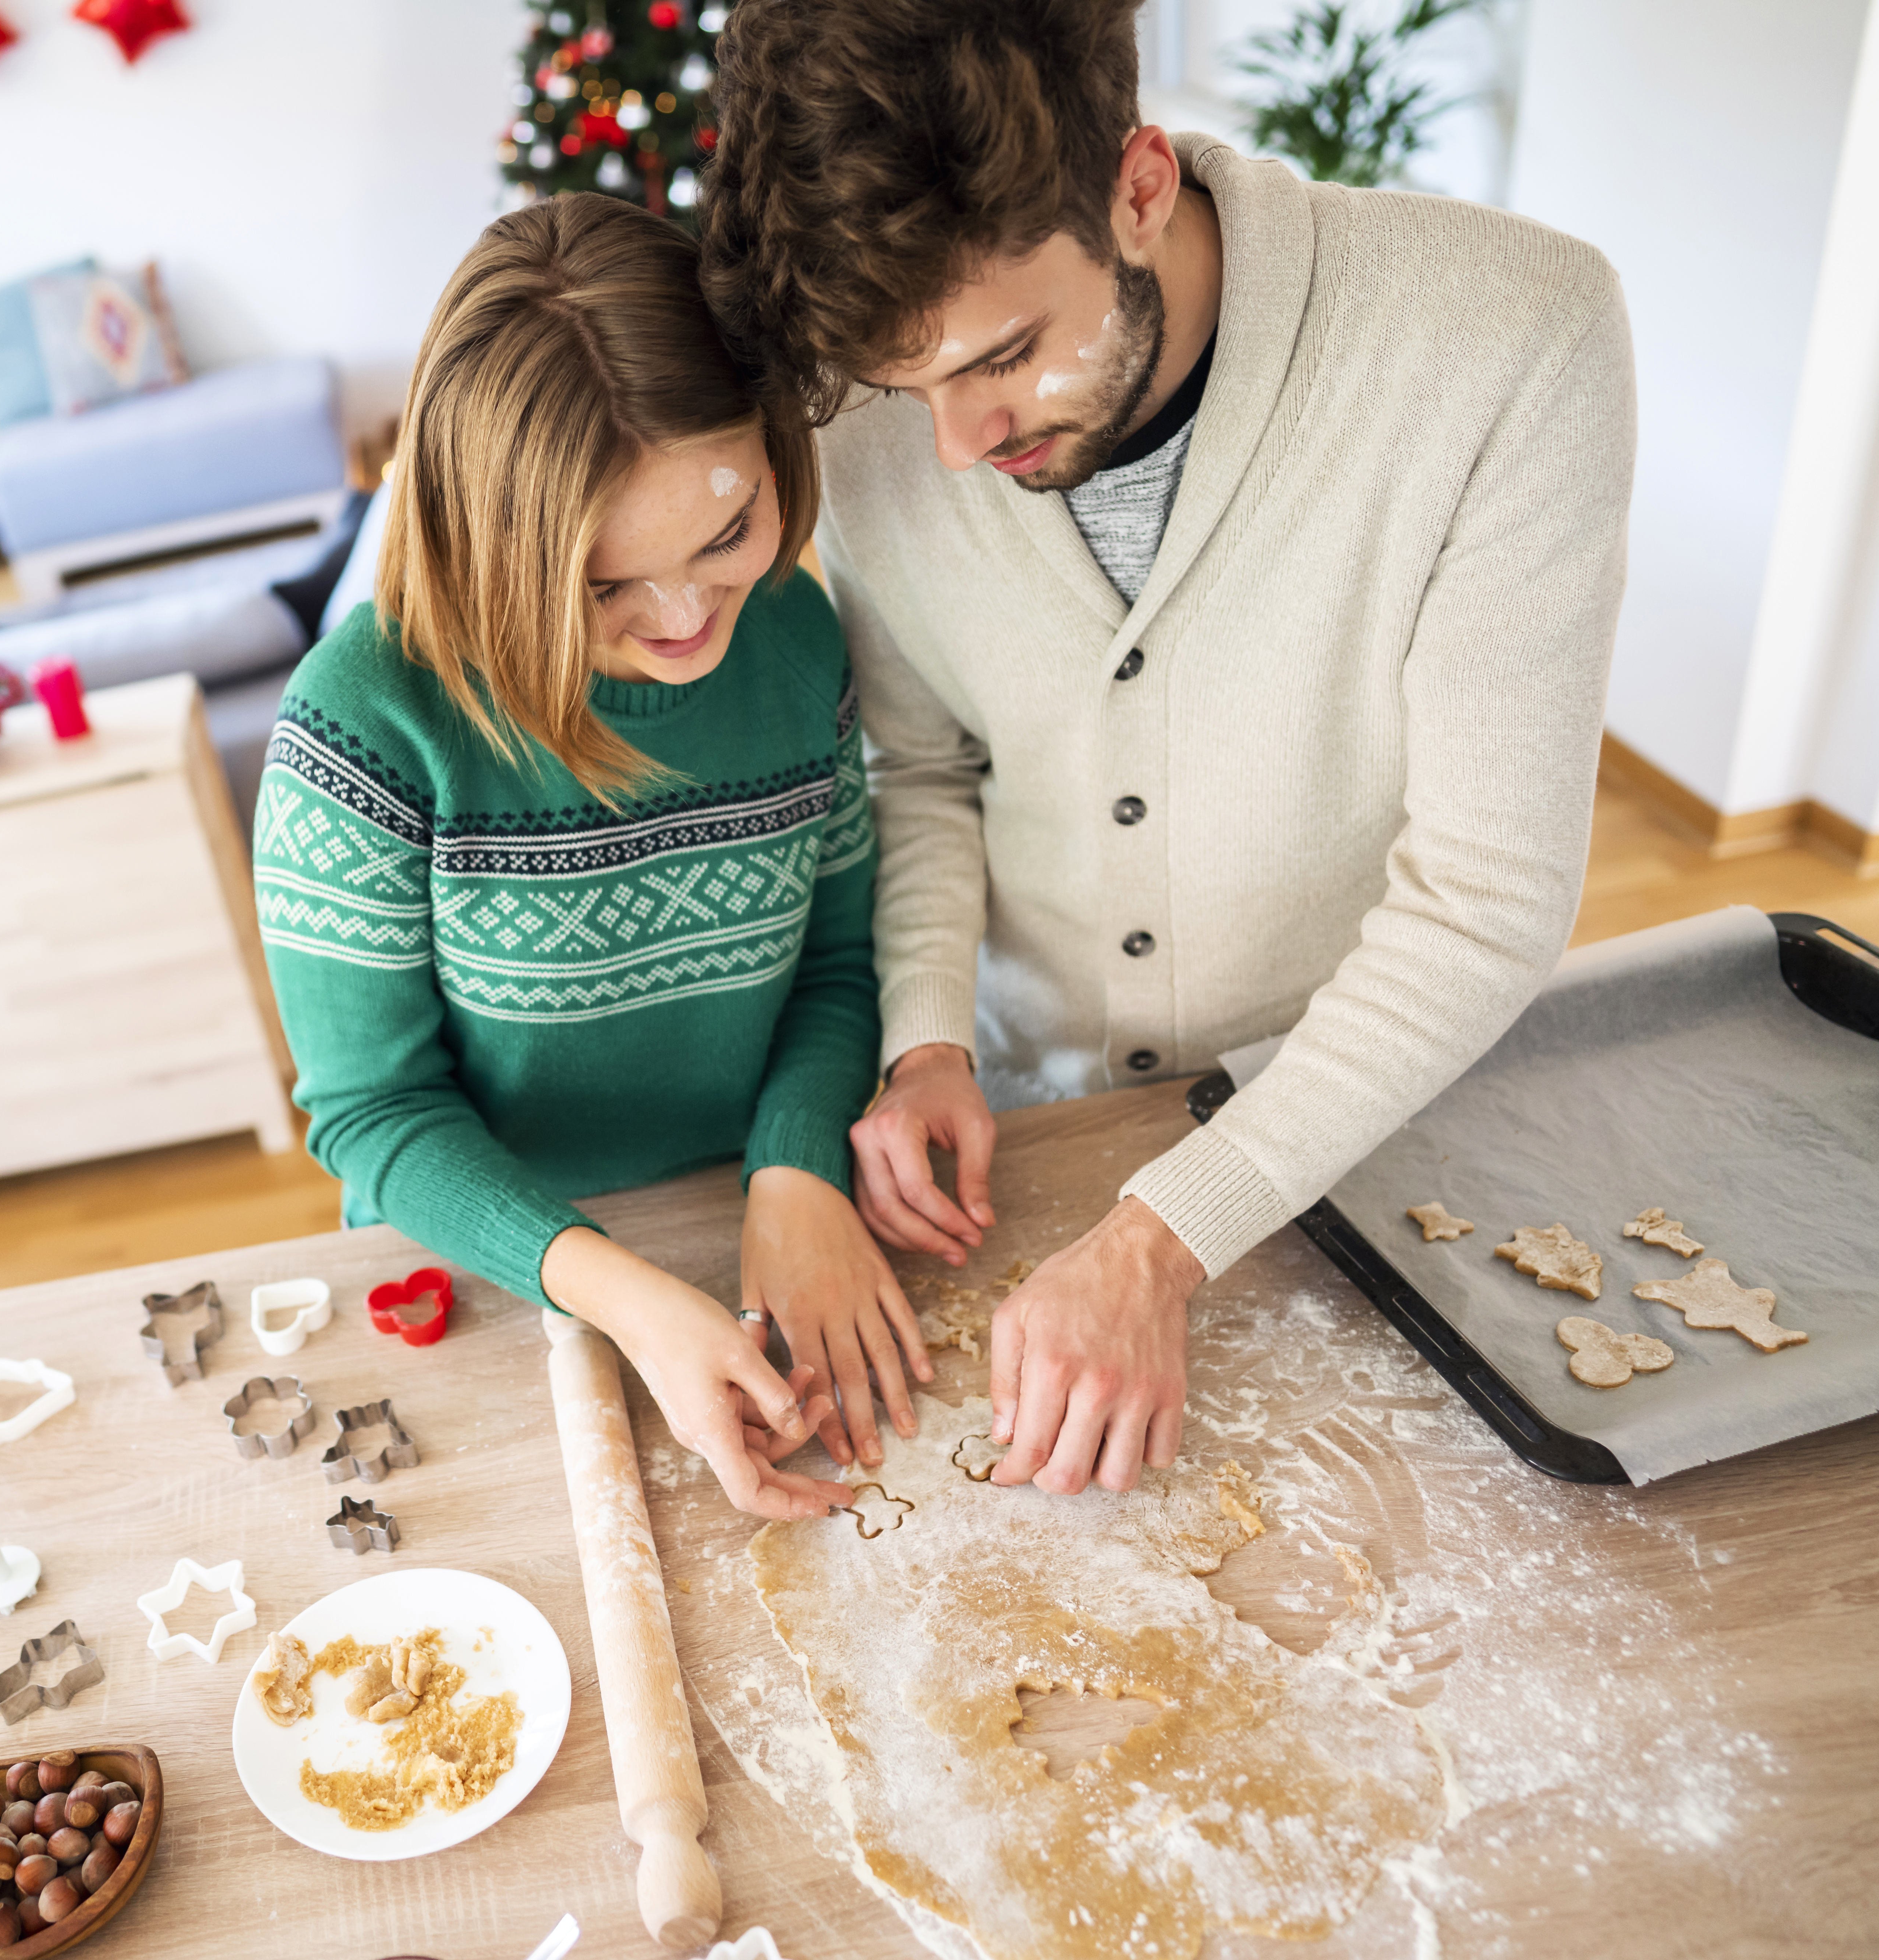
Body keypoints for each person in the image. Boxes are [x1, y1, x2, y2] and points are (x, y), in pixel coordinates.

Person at [698, 0, 1636, 1495]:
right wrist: (927, 1035)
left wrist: (1161, 1237)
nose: (952, 447)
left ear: (1139, 188)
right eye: (904, 390)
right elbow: (924, 768)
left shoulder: (1511, 336)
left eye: (1005, 357)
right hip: (1028, 1121)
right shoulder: (878, 399)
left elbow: (1486, 899)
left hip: (1353, 1126)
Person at [250, 193, 928, 1521]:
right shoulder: (365, 721)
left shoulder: (795, 633)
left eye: (725, 536)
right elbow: (374, 1115)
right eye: (606, 584)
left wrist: (795, 1172)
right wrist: (624, 1296)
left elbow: (836, 966)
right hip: (487, 1269)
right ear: (491, 549)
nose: (685, 618)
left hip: (749, 1214)